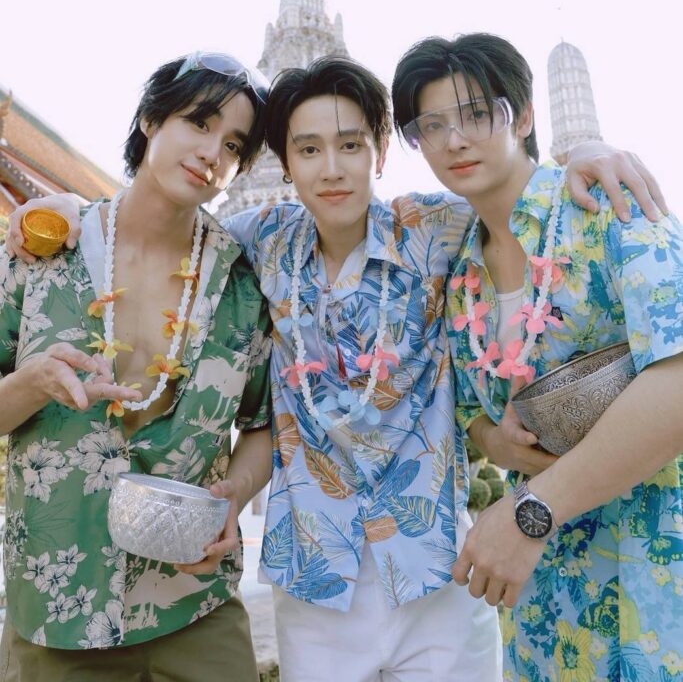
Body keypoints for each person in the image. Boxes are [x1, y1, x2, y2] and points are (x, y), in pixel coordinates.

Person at [8, 55, 666, 682]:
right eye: (308, 149)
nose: (331, 169)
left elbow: (511, 190)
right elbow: (162, 221)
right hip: (315, 579)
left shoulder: (436, 228)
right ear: (285, 163)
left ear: (379, 154)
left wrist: (584, 150)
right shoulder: (260, 240)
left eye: (351, 145)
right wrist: (70, 212)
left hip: (435, 570)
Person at [391, 33, 683, 682]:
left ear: (522, 117)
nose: (454, 140)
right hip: (544, 600)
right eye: (430, 126)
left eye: (476, 114)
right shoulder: (455, 268)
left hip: (656, 567)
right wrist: (493, 439)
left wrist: (533, 512)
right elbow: (466, 409)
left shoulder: (608, 206)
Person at [0, 53, 273, 682]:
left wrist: (235, 497)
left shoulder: (241, 284)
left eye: (234, 144)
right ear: (151, 119)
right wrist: (32, 383)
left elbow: (262, 424)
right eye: (199, 122)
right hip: (59, 605)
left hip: (194, 603)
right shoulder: (46, 248)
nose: (213, 153)